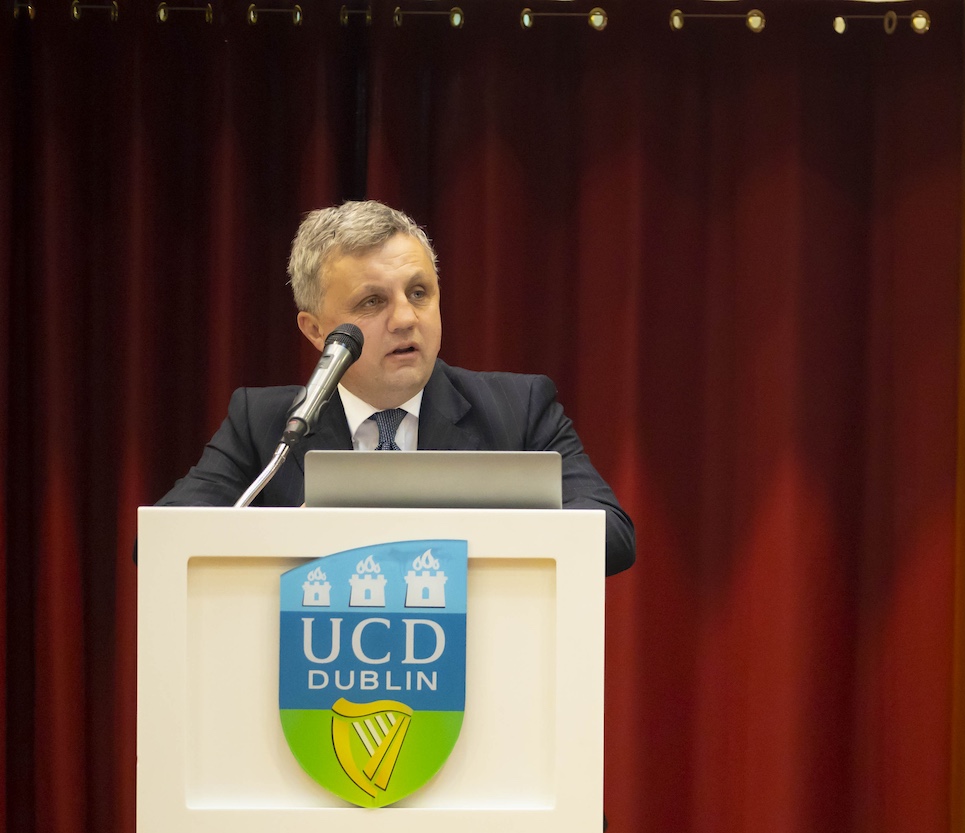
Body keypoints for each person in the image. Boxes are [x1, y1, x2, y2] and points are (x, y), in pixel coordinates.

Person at [158, 200, 635, 577]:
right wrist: (290, 538)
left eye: (419, 293)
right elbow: (161, 542)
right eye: (373, 301)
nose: (406, 318)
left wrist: (454, 540)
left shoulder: (519, 410)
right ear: (314, 329)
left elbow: (612, 536)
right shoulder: (264, 426)